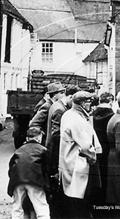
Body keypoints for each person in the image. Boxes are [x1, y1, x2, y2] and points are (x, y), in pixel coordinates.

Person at [59, 91, 102, 218]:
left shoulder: (68, 114)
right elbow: (86, 146)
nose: (90, 105)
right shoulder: (77, 120)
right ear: (83, 103)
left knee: (72, 196)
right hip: (78, 163)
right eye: (89, 102)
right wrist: (93, 156)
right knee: (80, 198)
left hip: (68, 160)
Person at [45, 85, 80, 219]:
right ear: (70, 97)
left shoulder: (57, 106)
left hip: (53, 151)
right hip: (55, 153)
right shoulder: (60, 110)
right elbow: (56, 135)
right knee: (57, 187)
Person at [7, 127, 51, 219]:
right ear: (39, 138)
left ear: (27, 138)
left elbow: (11, 168)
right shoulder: (43, 150)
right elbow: (49, 169)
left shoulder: (19, 150)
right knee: (41, 207)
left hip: (17, 180)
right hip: (35, 180)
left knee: (17, 207)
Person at [91, 91, 114, 218]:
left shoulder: (92, 114)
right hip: (108, 151)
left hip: (94, 150)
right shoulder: (113, 116)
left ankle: (95, 207)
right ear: (111, 101)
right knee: (106, 180)